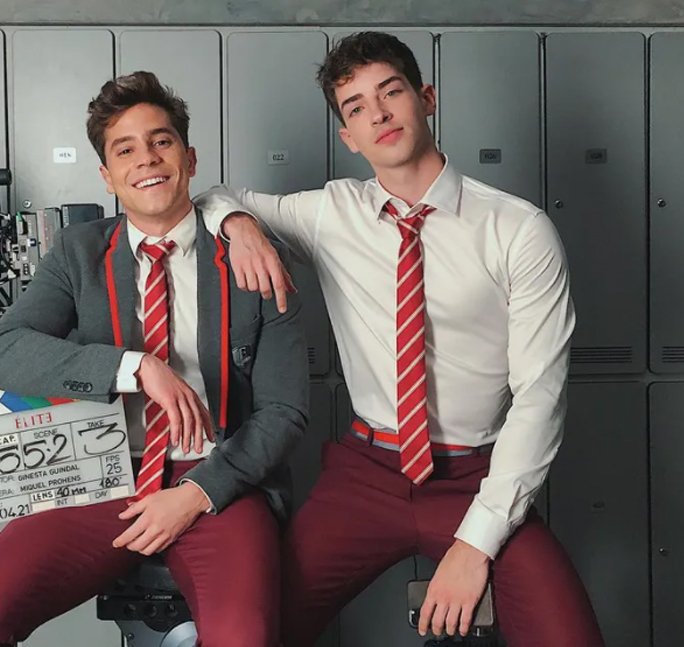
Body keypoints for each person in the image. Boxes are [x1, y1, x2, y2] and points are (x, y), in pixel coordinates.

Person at [195, 31, 605, 647]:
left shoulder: (517, 229)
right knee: (251, 628)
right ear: (348, 136)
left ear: (426, 98)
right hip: (366, 475)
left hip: (476, 475)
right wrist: (241, 225)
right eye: (357, 106)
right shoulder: (331, 213)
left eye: (391, 92)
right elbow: (208, 196)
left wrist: (474, 546)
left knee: (569, 637)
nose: (379, 114)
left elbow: (540, 397)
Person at [0, 71, 308, 647]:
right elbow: (3, 353)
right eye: (125, 150)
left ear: (189, 158)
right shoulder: (78, 252)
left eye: (161, 141)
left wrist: (197, 492)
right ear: (107, 176)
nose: (147, 159)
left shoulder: (253, 257)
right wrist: (135, 367)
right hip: (100, 475)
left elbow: (284, 410)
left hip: (219, 479)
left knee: (244, 638)